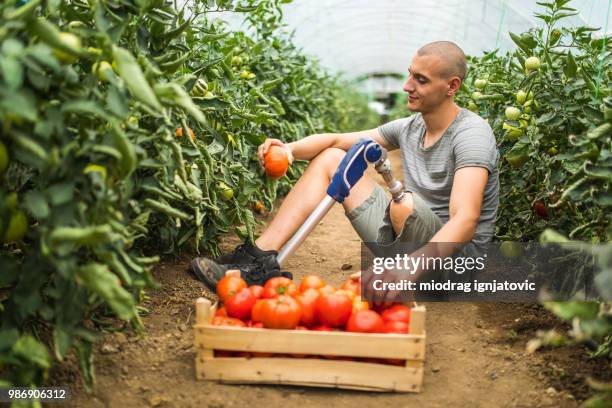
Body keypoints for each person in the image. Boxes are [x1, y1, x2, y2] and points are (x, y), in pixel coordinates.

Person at [191, 41, 499, 292]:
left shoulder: (471, 134)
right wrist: (289, 150)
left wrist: (409, 269)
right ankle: (258, 259)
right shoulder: (411, 127)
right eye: (410, 75)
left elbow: (466, 218)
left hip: (454, 267)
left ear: (452, 86)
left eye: (421, 80)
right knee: (332, 158)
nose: (407, 86)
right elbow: (339, 140)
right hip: (409, 241)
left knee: (405, 205)